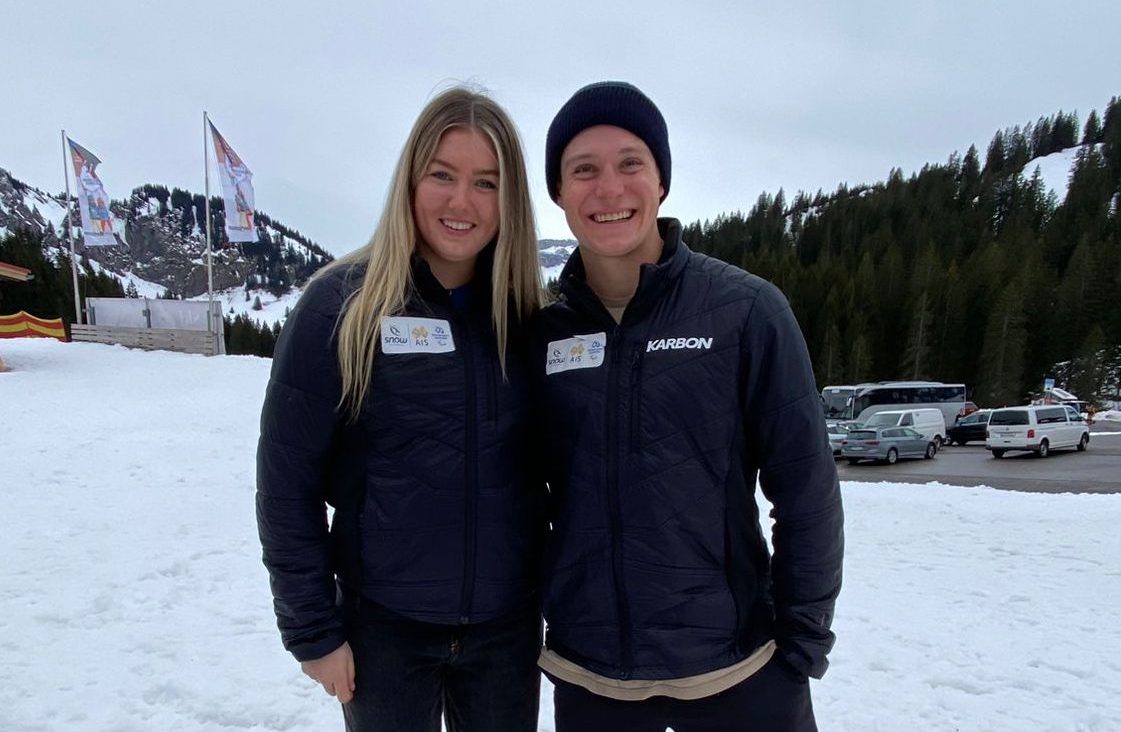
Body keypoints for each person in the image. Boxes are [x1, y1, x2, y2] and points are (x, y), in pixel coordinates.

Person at [532, 81, 845, 732]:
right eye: (582, 169)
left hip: (738, 670)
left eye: (630, 164)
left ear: (661, 181)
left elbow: (805, 487)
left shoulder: (745, 311)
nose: (608, 189)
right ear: (557, 192)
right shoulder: (541, 333)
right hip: (592, 680)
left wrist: (802, 640)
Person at [256, 86, 545, 732]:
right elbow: (286, 485)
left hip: (504, 633)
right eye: (441, 175)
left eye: (485, 182)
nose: (460, 201)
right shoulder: (341, 309)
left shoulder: (529, 320)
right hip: (383, 631)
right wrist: (312, 630)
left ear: (509, 200)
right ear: (410, 180)